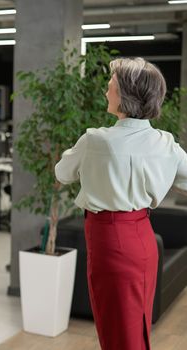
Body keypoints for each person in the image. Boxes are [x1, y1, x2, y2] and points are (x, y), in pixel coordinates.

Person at [55, 57, 187, 350]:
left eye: (111, 85)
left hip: (110, 240)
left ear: (126, 94)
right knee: (132, 329)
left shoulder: (95, 140)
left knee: (117, 334)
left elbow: (62, 173)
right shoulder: (166, 143)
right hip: (143, 237)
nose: (106, 92)